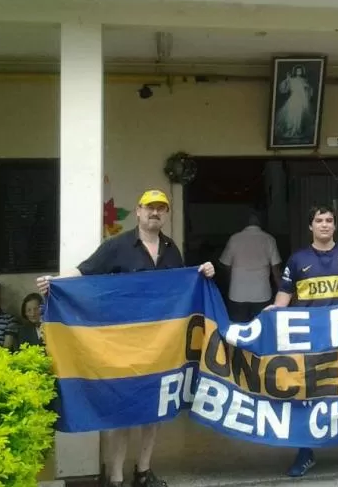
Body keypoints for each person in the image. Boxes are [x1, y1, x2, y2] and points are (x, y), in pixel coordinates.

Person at [37, 189, 217, 487]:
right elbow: (84, 271)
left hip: (162, 345)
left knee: (156, 410)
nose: (155, 212)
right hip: (123, 345)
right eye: (150, 207)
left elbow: (183, 285)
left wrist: (203, 272)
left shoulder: (171, 249)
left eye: (161, 208)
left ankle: (143, 472)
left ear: (166, 214)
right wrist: (55, 282)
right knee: (121, 413)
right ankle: (116, 478)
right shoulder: (117, 246)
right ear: (138, 211)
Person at [266, 204, 338, 478]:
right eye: (319, 220)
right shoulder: (297, 259)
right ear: (311, 226)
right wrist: (275, 311)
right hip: (310, 340)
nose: (325, 224)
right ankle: (306, 451)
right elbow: (285, 293)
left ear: (335, 225)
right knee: (308, 392)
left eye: (329, 220)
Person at [218, 211, 281, 322]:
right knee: (261, 327)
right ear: (260, 222)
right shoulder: (269, 239)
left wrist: (230, 282)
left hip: (237, 293)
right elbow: (276, 270)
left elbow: (225, 265)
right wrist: (282, 291)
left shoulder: (234, 239)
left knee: (238, 328)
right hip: (262, 294)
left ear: (245, 223)